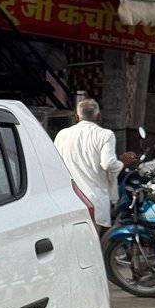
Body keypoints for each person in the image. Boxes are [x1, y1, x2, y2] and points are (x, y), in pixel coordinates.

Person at [54, 99, 125, 233]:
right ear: (98, 116)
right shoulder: (105, 135)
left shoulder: (62, 135)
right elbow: (108, 163)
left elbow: (55, 165)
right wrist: (122, 164)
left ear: (77, 117)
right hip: (94, 202)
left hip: (69, 202)